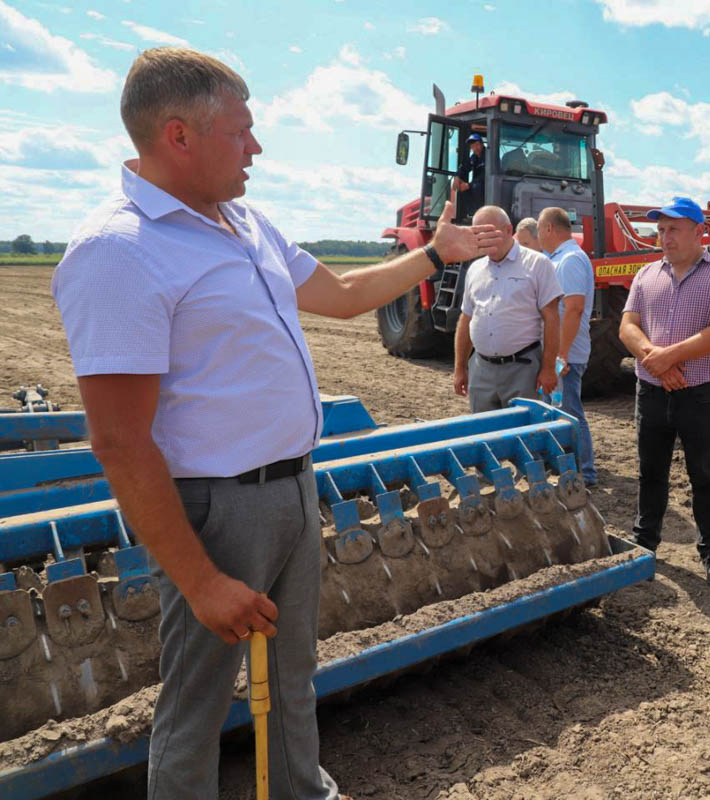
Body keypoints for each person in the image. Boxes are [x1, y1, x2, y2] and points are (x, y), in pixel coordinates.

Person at [50, 48, 502, 800]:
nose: (256, 147)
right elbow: (120, 441)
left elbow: (343, 294)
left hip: (293, 487)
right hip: (214, 509)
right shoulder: (119, 251)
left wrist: (432, 254)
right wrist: (200, 581)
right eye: (241, 131)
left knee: (295, 674)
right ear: (178, 136)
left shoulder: (244, 222)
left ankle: (303, 790)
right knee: (196, 700)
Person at [619, 197, 710, 591]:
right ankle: (644, 544)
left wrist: (667, 358)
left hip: (699, 394)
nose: (665, 237)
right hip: (652, 393)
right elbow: (627, 327)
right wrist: (654, 360)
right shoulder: (646, 274)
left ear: (698, 232)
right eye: (660, 230)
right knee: (650, 473)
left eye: (673, 229)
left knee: (704, 475)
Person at [454, 205, 562, 413]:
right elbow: (466, 318)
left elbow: (552, 318)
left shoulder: (538, 264)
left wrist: (548, 368)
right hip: (481, 371)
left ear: (508, 229)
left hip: (523, 370)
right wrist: (460, 368)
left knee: (522, 430)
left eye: (489, 232)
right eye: (479, 234)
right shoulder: (475, 270)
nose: (484, 239)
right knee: (484, 430)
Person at [538, 206, 597, 485]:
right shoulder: (559, 259)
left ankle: (585, 472)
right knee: (556, 410)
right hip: (559, 354)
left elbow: (574, 309)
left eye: (539, 229)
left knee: (570, 412)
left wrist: (560, 355)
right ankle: (565, 467)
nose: (538, 235)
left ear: (549, 228)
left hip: (567, 356)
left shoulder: (570, 260)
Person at [454, 132, 486, 219]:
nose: (475, 148)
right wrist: (457, 176)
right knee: (461, 188)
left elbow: (485, 175)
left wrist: (469, 185)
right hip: (477, 185)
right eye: (473, 146)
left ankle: (480, 214)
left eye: (477, 145)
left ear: (482, 144)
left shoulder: (488, 156)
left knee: (475, 187)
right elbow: (464, 167)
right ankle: (471, 213)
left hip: (487, 185)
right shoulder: (474, 157)